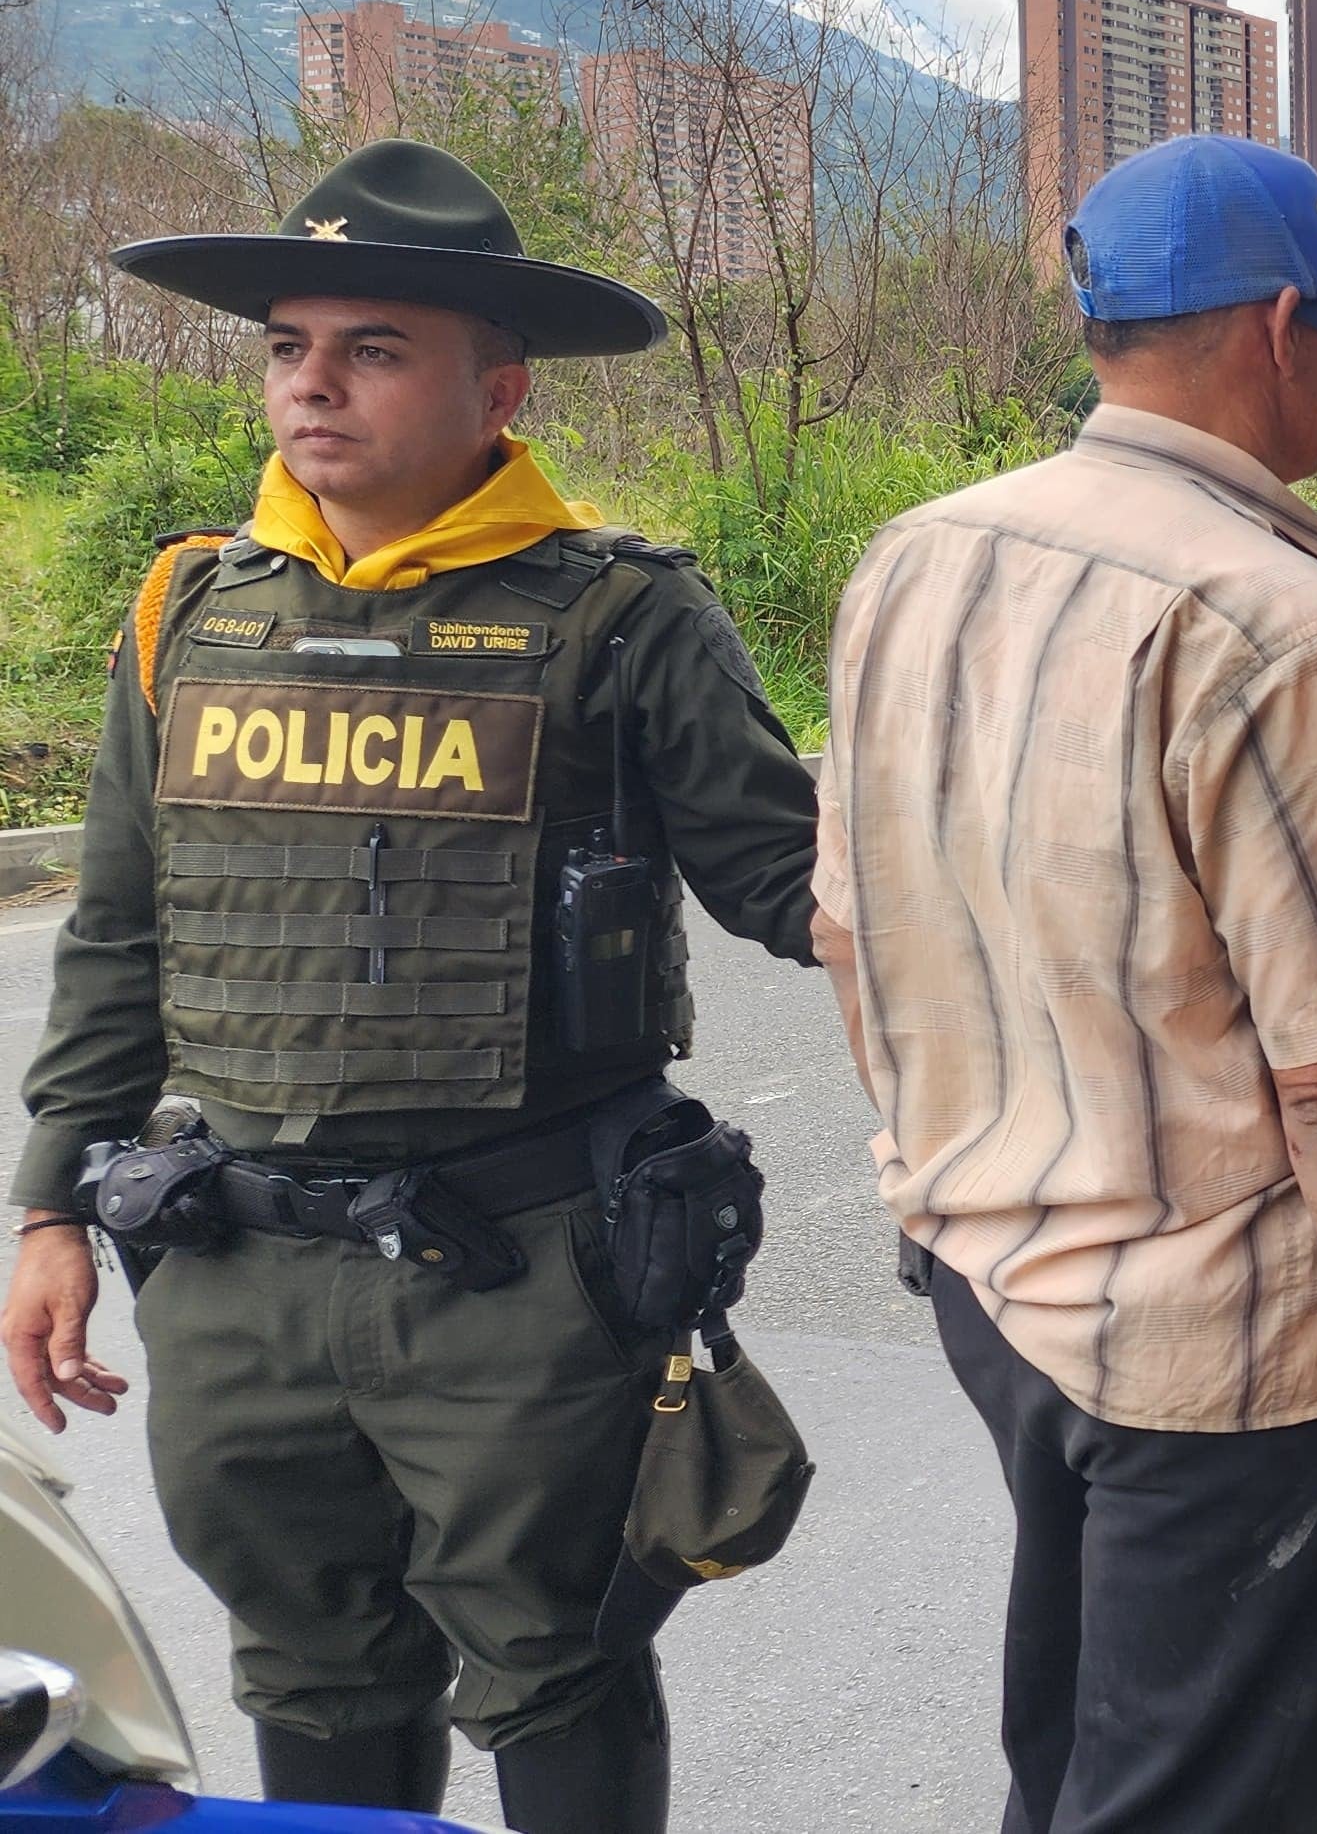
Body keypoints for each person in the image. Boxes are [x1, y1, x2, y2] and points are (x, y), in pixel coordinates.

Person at [3, 137, 823, 1831]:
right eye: (290, 347)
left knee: (556, 1668)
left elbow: (799, 895)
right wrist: (46, 1213)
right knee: (308, 1679)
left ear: (496, 386)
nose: (314, 387)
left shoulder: (621, 615)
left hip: (520, 1270)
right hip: (234, 1272)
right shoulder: (186, 611)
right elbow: (118, 941)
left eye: (373, 349)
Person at [811, 132, 1317, 1834]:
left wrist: (947, 1185)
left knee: (1075, 1768)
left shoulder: (920, 552)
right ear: (1284, 330)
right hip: (1234, 1373)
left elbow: (849, 929)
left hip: (998, 1293)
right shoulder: (1269, 620)